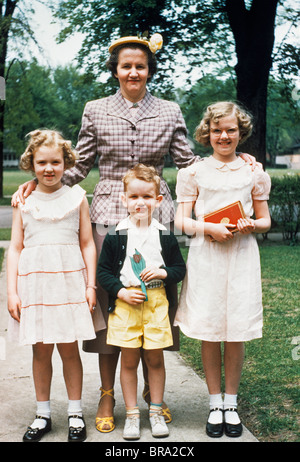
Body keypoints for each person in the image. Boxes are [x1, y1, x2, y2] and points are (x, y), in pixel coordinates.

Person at [11, 33, 257, 433]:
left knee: (155, 306)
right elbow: (81, 164)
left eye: (140, 66)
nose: (133, 72)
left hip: (156, 215)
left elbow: (189, 161)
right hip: (109, 212)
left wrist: (230, 155)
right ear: (116, 70)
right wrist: (37, 187)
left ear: (149, 70)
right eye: (125, 66)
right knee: (112, 314)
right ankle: (108, 393)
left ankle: (152, 397)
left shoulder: (169, 110)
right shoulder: (95, 109)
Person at [174, 102, 271, 438]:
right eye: (217, 130)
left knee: (235, 329)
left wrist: (251, 225)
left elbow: (265, 219)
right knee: (210, 328)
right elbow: (180, 220)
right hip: (207, 256)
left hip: (241, 256)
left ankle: (231, 402)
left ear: (240, 132)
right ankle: (214, 403)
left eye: (230, 130)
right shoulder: (193, 172)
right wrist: (208, 228)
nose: (224, 136)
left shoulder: (253, 172)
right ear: (207, 133)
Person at [7, 129, 97, 442]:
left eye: (55, 162)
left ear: (66, 163)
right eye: (42, 162)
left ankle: (75, 413)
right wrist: (12, 292)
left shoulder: (77, 197)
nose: (49, 168)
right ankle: (42, 414)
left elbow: (87, 243)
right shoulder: (23, 200)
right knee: (41, 352)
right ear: (31, 164)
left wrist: (91, 285)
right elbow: (15, 248)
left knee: (70, 351)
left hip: (70, 283)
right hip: (35, 286)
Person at [97, 164, 186, 440]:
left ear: (158, 201)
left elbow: (179, 269)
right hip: (126, 304)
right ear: (124, 199)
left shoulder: (164, 233)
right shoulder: (116, 234)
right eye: (134, 197)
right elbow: (104, 273)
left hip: (156, 303)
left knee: (155, 359)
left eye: (147, 197)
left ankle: (156, 411)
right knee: (128, 360)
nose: (140, 203)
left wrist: (163, 273)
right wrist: (121, 292)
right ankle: (132, 414)